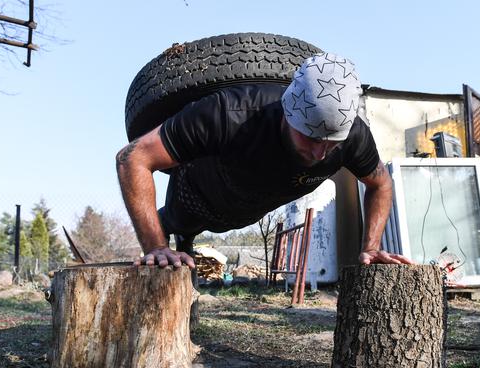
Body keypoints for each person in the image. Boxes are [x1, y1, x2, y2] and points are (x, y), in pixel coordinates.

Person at [116, 52, 413, 268]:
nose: (319, 153)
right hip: (198, 197)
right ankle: (180, 240)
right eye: (309, 138)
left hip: (249, 209)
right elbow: (132, 158)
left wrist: (371, 247)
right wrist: (155, 245)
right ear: (287, 113)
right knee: (180, 225)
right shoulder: (229, 113)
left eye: (331, 144)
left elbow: (381, 185)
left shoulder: (354, 136)